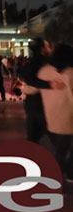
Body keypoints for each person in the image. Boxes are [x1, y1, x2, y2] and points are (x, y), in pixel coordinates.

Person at [37, 44, 73, 182]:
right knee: (63, 150)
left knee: (61, 149)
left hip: (52, 117)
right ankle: (59, 178)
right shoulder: (70, 72)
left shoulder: (44, 71)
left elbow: (32, 88)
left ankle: (65, 175)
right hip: (68, 117)